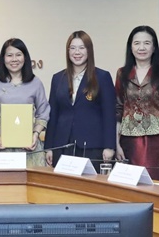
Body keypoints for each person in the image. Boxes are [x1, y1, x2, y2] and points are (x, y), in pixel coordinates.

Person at [115, 26, 159, 181]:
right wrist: (116, 144)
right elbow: (117, 109)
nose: (141, 48)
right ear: (130, 47)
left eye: (147, 43)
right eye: (137, 43)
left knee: (153, 184)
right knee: (128, 183)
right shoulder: (122, 73)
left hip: (156, 142)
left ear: (154, 47)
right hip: (128, 141)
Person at [45, 31, 116, 167]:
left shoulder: (102, 77)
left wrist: (109, 146)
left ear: (89, 50)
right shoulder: (58, 78)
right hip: (62, 145)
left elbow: (109, 115)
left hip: (92, 146)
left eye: (81, 48)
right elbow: (53, 115)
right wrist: (49, 147)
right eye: (72, 48)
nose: (77, 52)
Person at [0, 38, 50, 167]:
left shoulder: (35, 83)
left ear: (25, 57)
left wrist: (35, 135)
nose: (14, 59)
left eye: (18, 55)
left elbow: (43, 113)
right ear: (3, 59)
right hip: (1, 147)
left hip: (29, 147)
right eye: (9, 55)